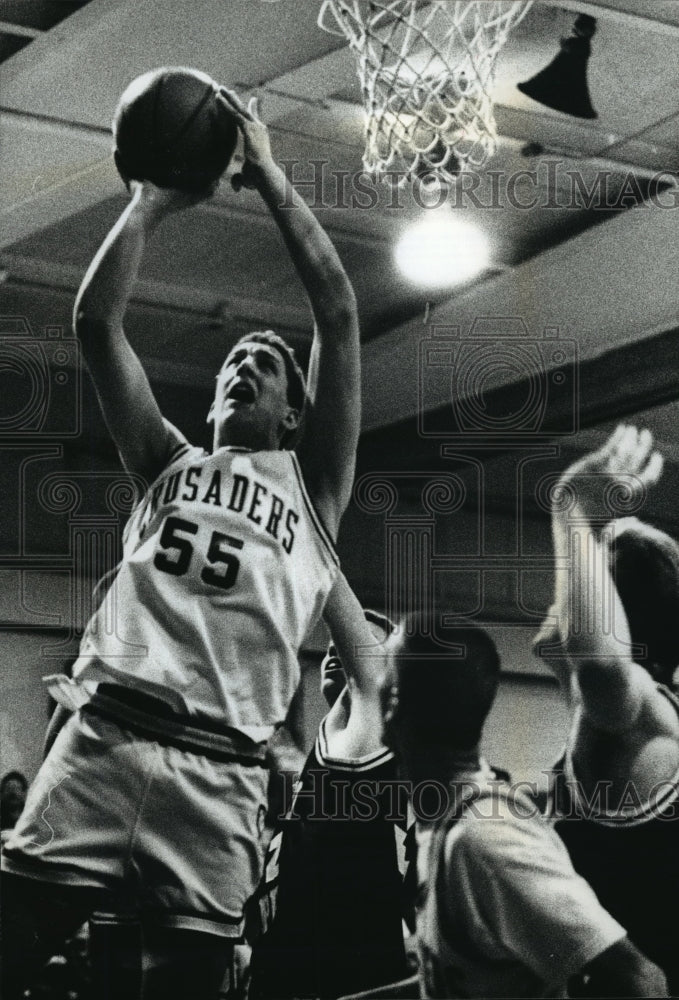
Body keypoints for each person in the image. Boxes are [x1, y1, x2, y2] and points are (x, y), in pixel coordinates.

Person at [1, 88, 360, 1000]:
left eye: (267, 366)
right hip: (105, 740)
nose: (244, 362)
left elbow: (339, 316)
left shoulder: (314, 490)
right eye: (233, 360)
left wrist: (272, 178)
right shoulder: (165, 461)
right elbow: (94, 324)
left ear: (294, 413)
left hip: (224, 774)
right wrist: (152, 199)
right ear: (209, 403)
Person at [379, 611, 668, 998]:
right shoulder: (448, 823)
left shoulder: (486, 839)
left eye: (382, 667)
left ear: (393, 702)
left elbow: (640, 980)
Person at [538, 424, 679, 995]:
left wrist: (571, 507)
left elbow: (598, 663)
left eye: (591, 566)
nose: (568, 583)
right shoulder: (606, 715)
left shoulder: (637, 712)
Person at [248, 574, 411, 999]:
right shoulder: (332, 751)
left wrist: (313, 544)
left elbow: (368, 674)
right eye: (332, 645)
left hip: (341, 979)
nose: (336, 649)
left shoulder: (374, 739)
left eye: (353, 644)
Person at [0, 771, 27, 841]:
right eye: (8, 788)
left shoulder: (31, 814)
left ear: (24, 793)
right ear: (2, 793)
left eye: (17, 788)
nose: (13, 793)